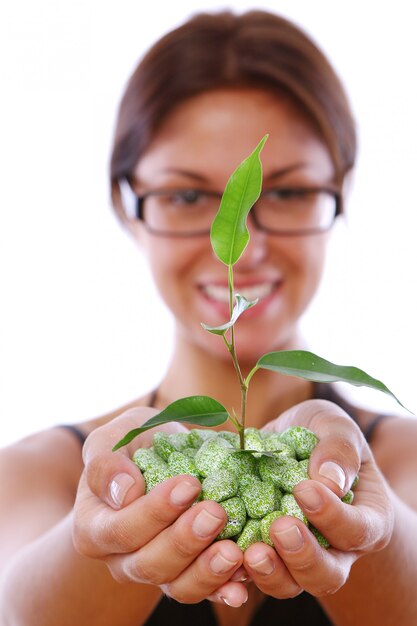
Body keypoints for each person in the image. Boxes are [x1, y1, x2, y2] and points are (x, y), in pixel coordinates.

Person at [1, 9, 416, 626]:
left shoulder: (400, 462)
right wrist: (110, 520)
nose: (241, 245)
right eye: (189, 196)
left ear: (341, 191)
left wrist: (368, 533)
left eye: (287, 191)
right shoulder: (43, 473)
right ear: (125, 204)